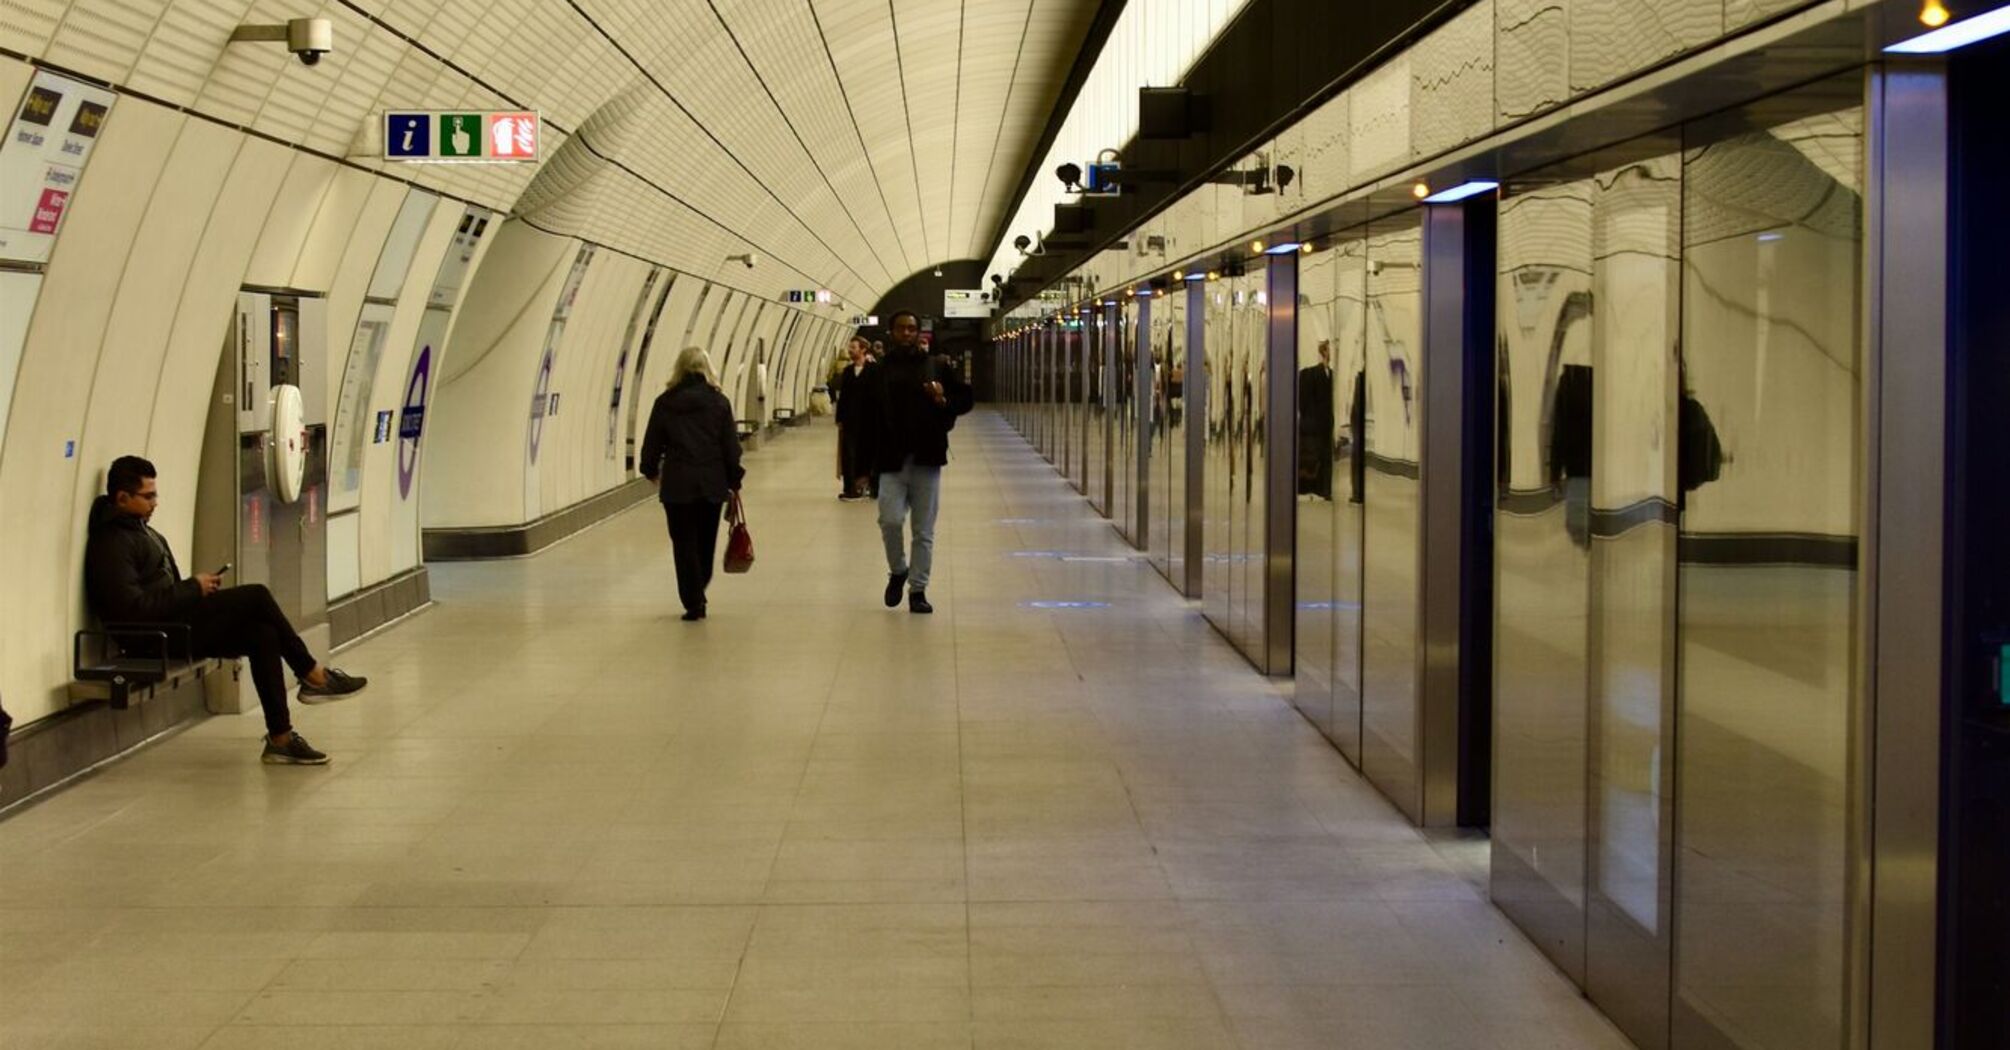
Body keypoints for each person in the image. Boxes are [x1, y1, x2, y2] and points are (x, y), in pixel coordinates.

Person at [84, 456, 365, 765]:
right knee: (256, 595)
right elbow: (131, 612)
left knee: (263, 634)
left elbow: (162, 591)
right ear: (122, 498)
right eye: (148, 496)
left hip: (174, 626)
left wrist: (195, 590)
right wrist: (193, 588)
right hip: (154, 637)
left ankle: (281, 739)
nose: (156, 503)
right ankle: (312, 674)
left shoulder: (143, 533)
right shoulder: (110, 543)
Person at [851, 310, 973, 614]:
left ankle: (918, 589)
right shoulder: (877, 372)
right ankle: (898, 570)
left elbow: (965, 400)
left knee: (923, 530)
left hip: (927, 458)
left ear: (919, 333)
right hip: (891, 460)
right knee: (889, 521)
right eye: (901, 329)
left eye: (912, 329)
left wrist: (943, 400)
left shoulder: (937, 366)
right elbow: (866, 422)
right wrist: (862, 469)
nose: (906, 333)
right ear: (891, 332)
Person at [640, 346, 746, 621]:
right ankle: (699, 588)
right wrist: (734, 478)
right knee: (705, 541)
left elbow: (652, 441)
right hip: (711, 482)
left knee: (683, 542)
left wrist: (649, 469)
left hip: (677, 484)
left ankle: (693, 600)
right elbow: (730, 447)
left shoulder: (665, 402)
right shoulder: (719, 402)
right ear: (707, 369)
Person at [831, 335, 878, 501]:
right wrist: (840, 418)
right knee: (849, 453)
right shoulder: (848, 371)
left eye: (853, 348)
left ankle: (870, 485)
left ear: (863, 349)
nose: (850, 351)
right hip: (850, 420)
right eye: (850, 348)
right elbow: (843, 397)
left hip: (870, 420)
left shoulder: (874, 370)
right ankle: (850, 488)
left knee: (869, 452)